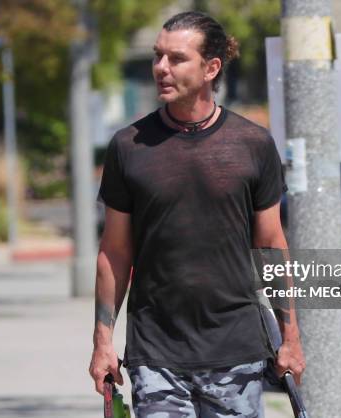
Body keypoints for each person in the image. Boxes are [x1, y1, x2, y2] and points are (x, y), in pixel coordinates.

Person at [89, 11, 305, 417]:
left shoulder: (253, 145)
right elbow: (114, 252)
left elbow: (271, 246)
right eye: (157, 57)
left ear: (211, 68)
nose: (161, 68)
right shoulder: (128, 147)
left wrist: (289, 339)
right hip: (155, 353)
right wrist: (103, 342)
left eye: (176, 58)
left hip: (236, 353)